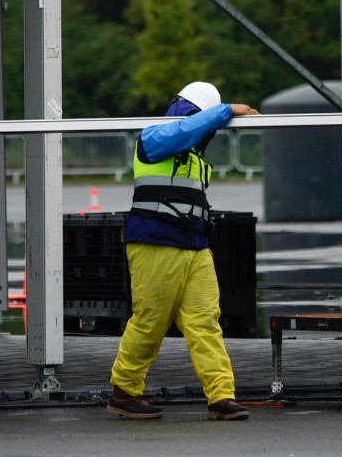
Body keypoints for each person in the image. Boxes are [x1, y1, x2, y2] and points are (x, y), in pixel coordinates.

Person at [106, 81, 259, 421]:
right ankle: (125, 391)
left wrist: (204, 239)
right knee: (150, 321)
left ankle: (221, 396)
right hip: (155, 242)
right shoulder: (153, 137)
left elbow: (193, 201)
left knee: (206, 322)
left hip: (195, 247)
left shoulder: (196, 158)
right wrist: (226, 110)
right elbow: (185, 129)